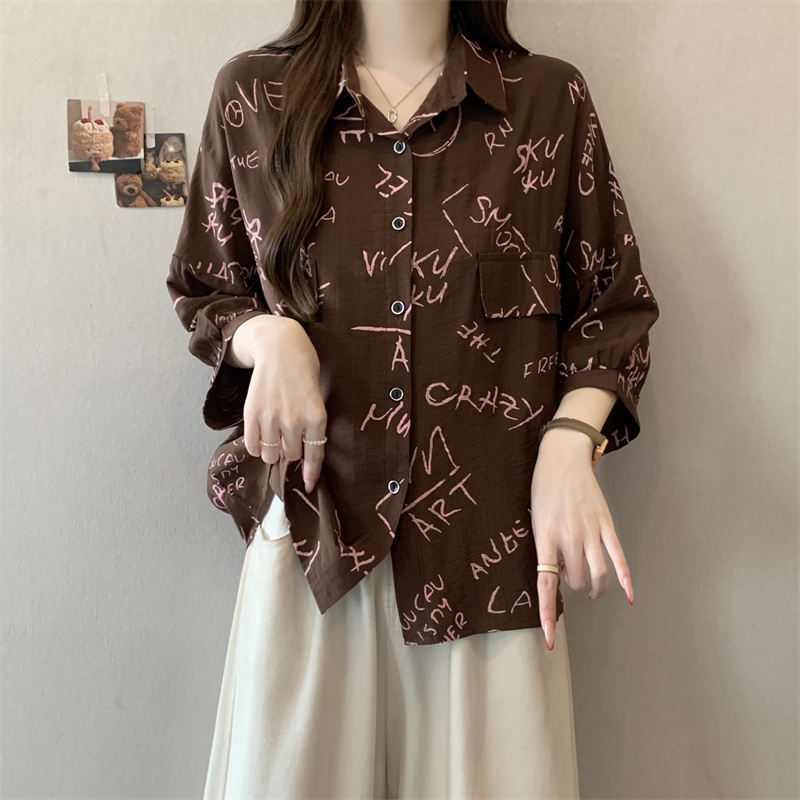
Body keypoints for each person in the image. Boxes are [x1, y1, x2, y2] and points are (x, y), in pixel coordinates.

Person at [166, 0, 660, 797]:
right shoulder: (253, 96)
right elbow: (204, 285)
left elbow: (612, 304)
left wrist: (573, 439)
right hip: (316, 544)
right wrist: (267, 337)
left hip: (488, 554)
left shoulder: (547, 102)